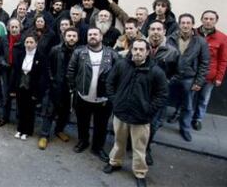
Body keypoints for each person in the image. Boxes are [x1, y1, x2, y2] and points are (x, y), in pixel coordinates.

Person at [104, 39, 168, 187]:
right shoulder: (121, 65)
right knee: (118, 143)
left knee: (139, 148)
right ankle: (114, 162)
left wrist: (149, 110)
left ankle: (140, 173)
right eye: (135, 49)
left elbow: (162, 94)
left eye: (141, 50)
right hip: (121, 114)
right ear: (131, 50)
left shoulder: (156, 71)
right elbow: (109, 83)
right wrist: (115, 101)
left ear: (147, 52)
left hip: (141, 117)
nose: (138, 52)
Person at [67, 27, 119, 162]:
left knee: (101, 126)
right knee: (82, 123)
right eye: (90, 34)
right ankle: (83, 141)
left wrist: (112, 94)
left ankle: (98, 147)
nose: (92, 36)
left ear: (101, 37)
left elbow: (118, 75)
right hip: (83, 96)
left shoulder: (111, 54)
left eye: (95, 34)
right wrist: (73, 87)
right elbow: (71, 70)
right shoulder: (79, 52)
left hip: (103, 98)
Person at [166, 13, 209, 142]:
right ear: (179, 24)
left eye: (188, 23)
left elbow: (204, 63)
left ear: (193, 24)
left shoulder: (200, 41)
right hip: (171, 76)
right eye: (183, 22)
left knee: (188, 106)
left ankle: (184, 129)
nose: (185, 25)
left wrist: (199, 81)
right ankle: (155, 125)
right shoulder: (170, 38)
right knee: (161, 101)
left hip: (188, 78)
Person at [38, 27, 79, 150]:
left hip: (70, 88)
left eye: (74, 36)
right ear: (64, 36)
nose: (71, 38)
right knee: (49, 112)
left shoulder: (80, 52)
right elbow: (48, 66)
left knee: (65, 112)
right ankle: (44, 135)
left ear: (77, 38)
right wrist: (51, 80)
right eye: (69, 36)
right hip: (54, 87)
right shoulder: (55, 50)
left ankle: (59, 130)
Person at [145, 20, 179, 166]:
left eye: (159, 29)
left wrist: (166, 83)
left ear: (164, 32)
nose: (155, 32)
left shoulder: (172, 52)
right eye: (152, 29)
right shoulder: (140, 47)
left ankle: (146, 149)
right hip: (140, 92)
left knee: (153, 124)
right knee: (135, 121)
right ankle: (133, 144)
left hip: (158, 96)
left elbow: (178, 73)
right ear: (148, 31)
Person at [193, 10, 227, 130]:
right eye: (206, 18)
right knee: (188, 96)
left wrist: (219, 77)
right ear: (201, 19)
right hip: (192, 73)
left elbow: (223, 60)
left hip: (209, 76)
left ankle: (198, 119)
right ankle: (181, 114)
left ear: (216, 21)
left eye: (211, 19)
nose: (208, 21)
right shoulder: (193, 33)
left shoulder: (222, 38)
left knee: (203, 99)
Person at [10, 33, 46, 140]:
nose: (29, 45)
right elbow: (15, 72)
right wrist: (12, 88)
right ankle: (20, 129)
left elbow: (42, 77)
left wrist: (37, 93)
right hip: (21, 85)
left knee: (29, 110)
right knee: (20, 109)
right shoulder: (20, 54)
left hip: (32, 87)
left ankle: (27, 131)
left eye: (31, 42)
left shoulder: (40, 56)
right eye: (27, 42)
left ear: (36, 44)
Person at [0, 18, 22, 127]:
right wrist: (2, 61)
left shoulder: (24, 39)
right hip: (7, 71)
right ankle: (4, 117)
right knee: (6, 96)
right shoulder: (3, 39)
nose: (14, 29)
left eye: (16, 27)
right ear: (8, 28)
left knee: (20, 97)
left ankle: (19, 119)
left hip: (20, 73)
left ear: (20, 28)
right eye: (12, 27)